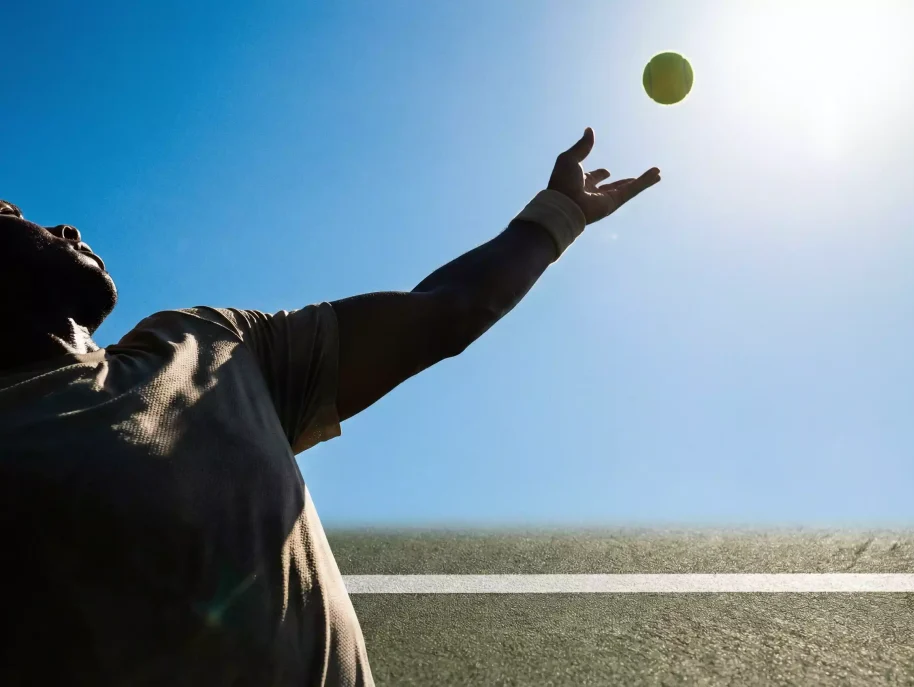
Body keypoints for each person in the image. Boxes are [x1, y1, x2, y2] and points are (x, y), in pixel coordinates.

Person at [0, 128, 659, 686]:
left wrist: (558, 214)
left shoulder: (204, 343)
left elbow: (446, 313)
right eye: (10, 215)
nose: (63, 226)